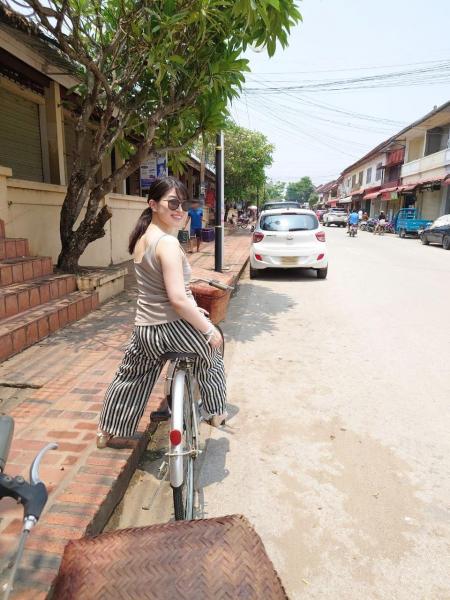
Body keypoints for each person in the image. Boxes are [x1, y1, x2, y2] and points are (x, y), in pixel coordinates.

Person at [96, 177, 227, 449]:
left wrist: (193, 307)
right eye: (173, 203)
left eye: (183, 203)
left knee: (130, 377)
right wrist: (207, 330)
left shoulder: (142, 239)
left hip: (145, 329)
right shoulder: (167, 243)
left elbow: (161, 291)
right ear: (153, 204)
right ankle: (216, 412)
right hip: (172, 328)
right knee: (212, 352)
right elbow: (177, 299)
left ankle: (108, 432)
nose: (180, 209)